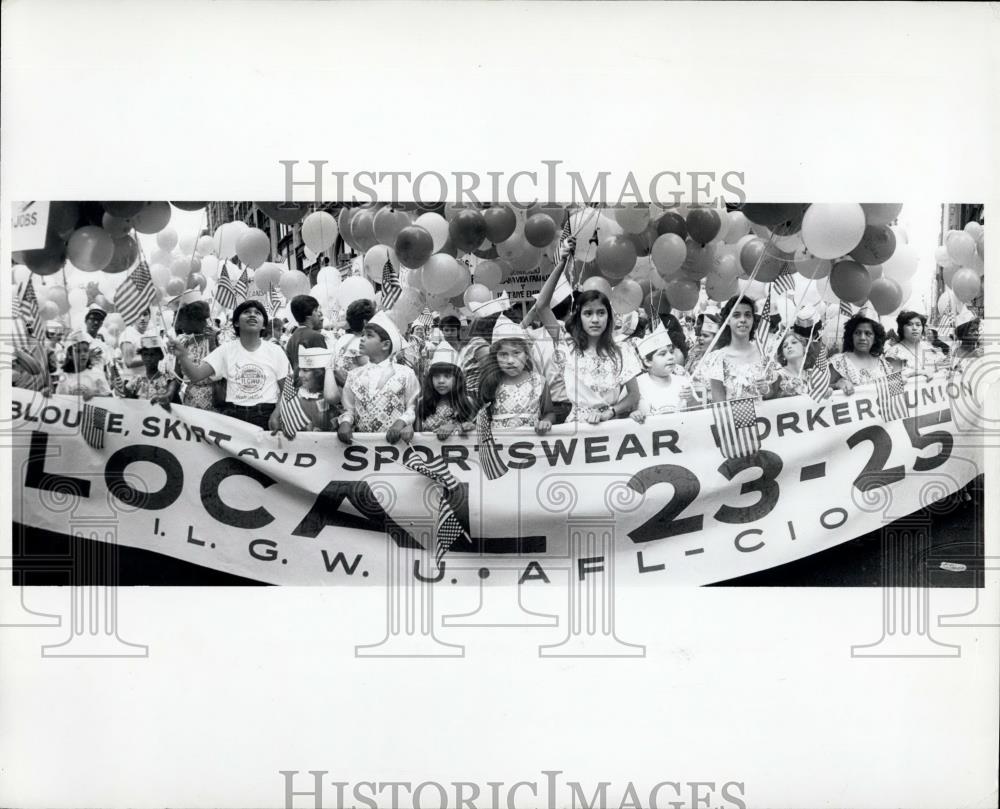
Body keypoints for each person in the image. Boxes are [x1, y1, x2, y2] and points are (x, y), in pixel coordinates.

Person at [168, 299, 289, 430]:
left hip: (266, 414)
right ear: (236, 322)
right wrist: (182, 356)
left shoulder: (276, 351)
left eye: (258, 313)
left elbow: (287, 389)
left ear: (264, 325)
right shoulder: (226, 350)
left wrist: (277, 413)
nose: (252, 314)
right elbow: (196, 375)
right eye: (247, 312)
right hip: (234, 417)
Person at [555, 289, 641, 424]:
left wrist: (610, 412)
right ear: (579, 317)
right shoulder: (569, 347)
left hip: (611, 424)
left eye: (601, 313)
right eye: (588, 313)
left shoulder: (622, 351)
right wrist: (561, 267)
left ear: (609, 316)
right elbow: (542, 306)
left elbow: (634, 395)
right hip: (577, 426)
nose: (595, 319)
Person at [337, 311, 419, 445]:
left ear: (385, 345)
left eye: (369, 336)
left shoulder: (405, 373)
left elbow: (412, 407)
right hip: (364, 447)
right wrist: (345, 422)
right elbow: (349, 409)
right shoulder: (354, 375)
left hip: (395, 446)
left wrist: (401, 422)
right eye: (362, 335)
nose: (362, 339)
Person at [477, 315, 554, 434]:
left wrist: (546, 421)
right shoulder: (491, 382)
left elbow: (549, 413)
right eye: (503, 354)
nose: (510, 360)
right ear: (495, 357)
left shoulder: (539, 382)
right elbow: (481, 417)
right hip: (499, 448)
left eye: (516, 353)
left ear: (527, 354)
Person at [700, 295, 772, 402]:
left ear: (753, 320)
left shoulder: (764, 354)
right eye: (736, 315)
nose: (743, 320)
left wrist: (766, 390)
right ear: (728, 320)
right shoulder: (716, 359)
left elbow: (774, 398)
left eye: (748, 315)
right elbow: (719, 404)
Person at [630, 327, 696, 422]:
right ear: (648, 361)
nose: (670, 357)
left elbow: (698, 413)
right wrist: (633, 415)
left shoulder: (683, 381)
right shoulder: (636, 385)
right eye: (662, 354)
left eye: (671, 352)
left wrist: (691, 399)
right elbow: (621, 417)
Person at [414, 340, 477, 441]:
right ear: (430, 378)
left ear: (457, 378)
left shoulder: (467, 402)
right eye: (436, 376)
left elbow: (473, 433)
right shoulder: (422, 402)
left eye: (447, 376)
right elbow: (416, 436)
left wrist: (455, 427)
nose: (441, 381)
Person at [170, 296, 218, 410]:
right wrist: (169, 393)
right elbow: (177, 375)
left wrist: (212, 342)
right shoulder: (183, 341)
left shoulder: (219, 337)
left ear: (193, 319)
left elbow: (221, 368)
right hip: (190, 401)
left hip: (215, 400)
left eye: (181, 320)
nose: (179, 325)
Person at [829, 310, 892, 396]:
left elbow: (893, 393)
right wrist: (837, 384)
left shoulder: (883, 364)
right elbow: (818, 391)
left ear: (875, 338)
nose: (862, 337)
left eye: (868, 333)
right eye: (857, 333)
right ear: (851, 336)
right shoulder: (838, 362)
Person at [114, 336, 175, 406]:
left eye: (152, 355)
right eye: (145, 354)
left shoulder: (168, 379)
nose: (148, 358)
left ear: (161, 356)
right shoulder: (137, 380)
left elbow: (171, 395)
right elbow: (125, 397)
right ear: (142, 357)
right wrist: (119, 388)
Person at [885, 310, 945, 380]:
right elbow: (894, 381)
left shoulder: (928, 347)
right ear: (901, 328)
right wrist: (918, 373)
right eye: (909, 324)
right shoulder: (894, 352)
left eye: (918, 325)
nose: (914, 328)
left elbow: (940, 367)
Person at [55, 331, 113, 400]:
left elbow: (110, 397)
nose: (83, 354)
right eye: (78, 351)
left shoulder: (97, 374)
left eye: (85, 350)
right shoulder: (64, 377)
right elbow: (59, 400)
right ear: (70, 355)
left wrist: (95, 395)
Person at [332, 298, 375, 388]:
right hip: (353, 396)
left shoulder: (343, 338)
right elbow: (373, 377)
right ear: (365, 322)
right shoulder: (362, 345)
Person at [294, 346, 338, 431]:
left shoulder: (333, 392)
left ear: (319, 374)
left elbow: (331, 397)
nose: (300, 374)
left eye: (305, 370)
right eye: (300, 370)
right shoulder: (298, 394)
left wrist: (329, 369)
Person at [285, 294, 327, 376]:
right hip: (314, 386)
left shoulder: (291, 339)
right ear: (308, 315)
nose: (319, 313)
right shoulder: (315, 336)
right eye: (316, 310)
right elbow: (325, 368)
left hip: (299, 385)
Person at [117, 308, 152, 381]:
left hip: (150, 382)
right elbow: (129, 362)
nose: (142, 318)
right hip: (133, 384)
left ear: (149, 316)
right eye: (139, 315)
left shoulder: (150, 334)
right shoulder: (127, 335)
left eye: (145, 314)